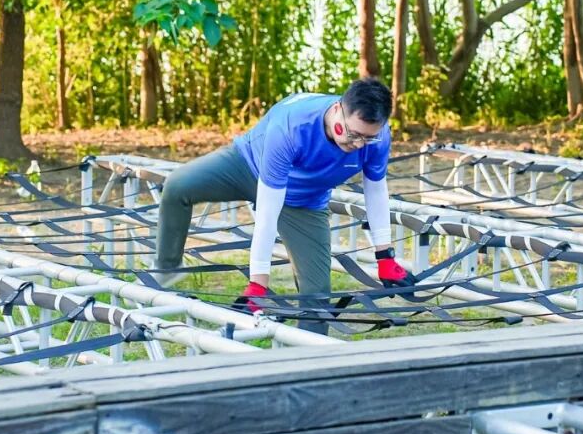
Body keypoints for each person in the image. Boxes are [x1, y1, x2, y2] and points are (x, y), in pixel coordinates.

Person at [155, 78, 415, 334]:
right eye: (353, 134)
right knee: (177, 185)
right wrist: (258, 283)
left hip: (304, 200)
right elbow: (267, 214)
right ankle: (166, 270)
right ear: (338, 109)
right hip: (247, 166)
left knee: (317, 297)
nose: (357, 144)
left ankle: (306, 357)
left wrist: (385, 256)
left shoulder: (378, 137)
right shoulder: (292, 127)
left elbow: (376, 191)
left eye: (367, 138)